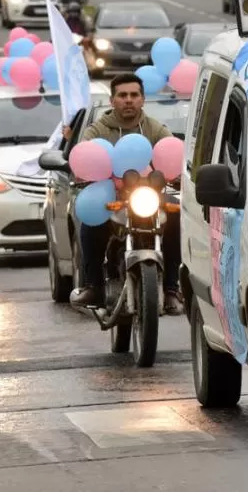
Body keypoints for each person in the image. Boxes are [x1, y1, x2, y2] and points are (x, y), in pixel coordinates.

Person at [70, 73, 184, 315]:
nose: (128, 100)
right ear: (112, 100)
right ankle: (94, 287)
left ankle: (173, 288)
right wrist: (83, 176)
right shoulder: (98, 129)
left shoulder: (155, 128)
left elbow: (173, 154)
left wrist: (180, 176)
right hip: (112, 199)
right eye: (122, 95)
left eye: (134, 95)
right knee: (90, 225)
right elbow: (84, 155)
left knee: (177, 214)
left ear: (143, 99)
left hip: (148, 198)